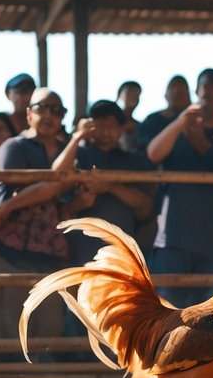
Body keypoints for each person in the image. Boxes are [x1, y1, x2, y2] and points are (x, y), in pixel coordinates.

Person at [0, 87, 72, 356]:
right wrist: (52, 186)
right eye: (42, 108)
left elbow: (62, 198)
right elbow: (49, 188)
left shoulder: (68, 150)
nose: (49, 115)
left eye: (56, 110)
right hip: (7, 251)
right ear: (29, 113)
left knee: (47, 334)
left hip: (48, 257)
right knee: (7, 336)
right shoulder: (14, 145)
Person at [147, 68, 213, 306]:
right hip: (174, 235)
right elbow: (153, 153)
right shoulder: (175, 125)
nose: (208, 94)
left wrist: (200, 140)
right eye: (203, 89)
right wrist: (180, 123)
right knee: (167, 313)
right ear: (195, 93)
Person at [55, 100, 154, 264]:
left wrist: (109, 186)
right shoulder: (77, 155)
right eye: (100, 125)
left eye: (112, 125)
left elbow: (145, 206)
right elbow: (60, 201)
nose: (105, 131)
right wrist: (78, 203)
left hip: (121, 252)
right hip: (80, 250)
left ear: (121, 129)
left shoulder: (133, 161)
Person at [136, 74, 189, 153]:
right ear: (165, 95)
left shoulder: (195, 120)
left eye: (182, 88)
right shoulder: (151, 120)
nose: (177, 90)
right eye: (174, 87)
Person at [115, 80, 142, 152]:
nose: (133, 97)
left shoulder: (140, 126)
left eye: (137, 95)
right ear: (119, 95)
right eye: (130, 92)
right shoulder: (104, 120)